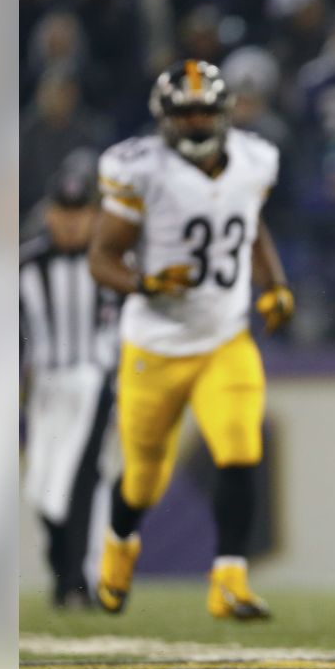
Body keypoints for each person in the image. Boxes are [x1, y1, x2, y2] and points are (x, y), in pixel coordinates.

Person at [88, 59, 295, 620]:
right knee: (143, 480)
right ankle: (119, 547)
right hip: (155, 347)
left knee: (240, 450)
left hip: (225, 339)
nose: (199, 122)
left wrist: (273, 284)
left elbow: (250, 223)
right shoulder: (140, 169)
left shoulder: (255, 158)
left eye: (206, 110)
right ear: (165, 118)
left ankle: (228, 580)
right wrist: (144, 282)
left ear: (226, 112)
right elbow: (101, 257)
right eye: (187, 112)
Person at [20, 158, 122, 609]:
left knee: (81, 477)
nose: (72, 220)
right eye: (64, 210)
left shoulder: (112, 266)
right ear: (49, 214)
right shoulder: (24, 266)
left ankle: (78, 581)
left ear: (95, 215)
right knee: (44, 485)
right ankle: (65, 571)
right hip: (44, 388)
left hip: (93, 381)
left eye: (81, 210)